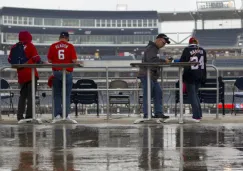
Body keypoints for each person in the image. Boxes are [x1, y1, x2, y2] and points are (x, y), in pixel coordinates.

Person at [8, 31, 42, 121]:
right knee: (31, 96)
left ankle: (20, 116)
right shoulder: (30, 46)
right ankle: (29, 116)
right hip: (31, 74)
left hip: (21, 75)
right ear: (28, 37)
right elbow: (37, 58)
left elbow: (10, 60)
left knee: (22, 96)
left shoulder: (14, 47)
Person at [138, 34, 171, 119]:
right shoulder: (152, 48)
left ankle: (158, 113)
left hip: (152, 76)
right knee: (148, 94)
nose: (163, 45)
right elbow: (152, 60)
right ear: (159, 40)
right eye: (163, 43)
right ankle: (147, 114)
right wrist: (164, 61)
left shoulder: (154, 49)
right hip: (147, 75)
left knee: (158, 92)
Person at [47, 31, 77, 120]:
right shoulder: (70, 46)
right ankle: (66, 115)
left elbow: (49, 60)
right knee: (67, 95)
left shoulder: (53, 46)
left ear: (59, 37)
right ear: (67, 38)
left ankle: (57, 115)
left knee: (57, 95)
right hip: (67, 73)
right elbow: (74, 60)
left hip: (56, 72)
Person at [179, 37, 207, 120]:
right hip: (200, 75)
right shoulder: (202, 50)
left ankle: (196, 116)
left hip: (190, 75)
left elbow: (182, 62)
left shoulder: (187, 50)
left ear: (189, 42)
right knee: (195, 94)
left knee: (192, 95)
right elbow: (204, 61)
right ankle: (199, 114)